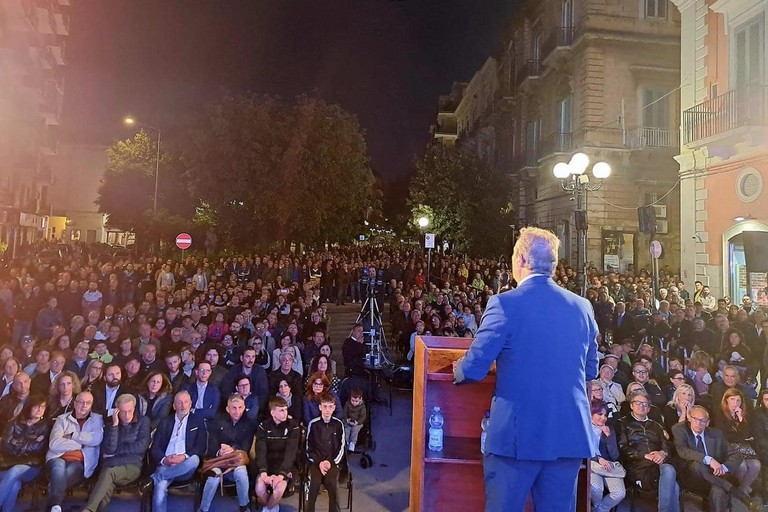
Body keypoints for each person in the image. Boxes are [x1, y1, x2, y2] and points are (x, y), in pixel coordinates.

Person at [453, 227, 598, 511]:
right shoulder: (583, 307)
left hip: (517, 438)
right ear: (554, 264)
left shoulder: (504, 304)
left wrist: (457, 368)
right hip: (567, 435)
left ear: (519, 260)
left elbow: (473, 370)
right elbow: (590, 369)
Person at [672, 405, 759, 512]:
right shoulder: (679, 429)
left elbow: (736, 455)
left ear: (707, 423)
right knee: (697, 465)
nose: (698, 423)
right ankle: (740, 495)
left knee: (719, 492)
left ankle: (730, 492)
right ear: (689, 418)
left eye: (702, 421)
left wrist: (723, 467)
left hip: (715, 480)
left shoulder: (716, 434)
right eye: (695, 419)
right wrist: (709, 459)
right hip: (692, 478)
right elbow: (683, 451)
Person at [83, 393, 151, 512]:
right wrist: (115, 425)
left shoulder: (143, 421)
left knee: (108, 473)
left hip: (132, 466)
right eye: (123, 411)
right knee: (106, 487)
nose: (127, 415)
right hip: (112, 465)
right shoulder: (111, 424)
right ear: (117, 411)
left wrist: (115, 454)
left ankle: (88, 509)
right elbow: (109, 449)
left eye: (130, 411)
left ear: (134, 408)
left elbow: (141, 447)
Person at [618, 391, 680, 512]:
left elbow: (666, 446)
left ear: (649, 408)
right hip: (638, 466)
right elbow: (622, 448)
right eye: (638, 403)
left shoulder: (656, 425)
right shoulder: (623, 423)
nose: (642, 406)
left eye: (645, 404)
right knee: (674, 486)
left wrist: (663, 453)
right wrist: (644, 455)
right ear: (631, 405)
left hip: (658, 465)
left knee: (669, 472)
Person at [148, 390, 207, 512]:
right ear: (174, 406)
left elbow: (201, 447)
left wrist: (184, 456)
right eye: (179, 403)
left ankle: (157, 477)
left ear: (191, 404)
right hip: (167, 464)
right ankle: (161, 478)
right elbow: (155, 447)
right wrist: (165, 459)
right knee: (160, 487)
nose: (183, 405)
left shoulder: (197, 421)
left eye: (186, 402)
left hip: (185, 466)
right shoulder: (165, 421)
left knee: (195, 459)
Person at [45, 390, 104, 512]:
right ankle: (56, 506)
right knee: (58, 468)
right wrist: (82, 444)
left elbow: (96, 439)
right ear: (75, 403)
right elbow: (54, 444)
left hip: (81, 462)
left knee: (60, 477)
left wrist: (72, 435)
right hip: (58, 457)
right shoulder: (62, 419)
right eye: (81, 402)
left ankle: (53, 505)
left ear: (91, 405)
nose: (84, 405)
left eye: (88, 403)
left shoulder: (97, 419)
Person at [198, 393, 255, 512]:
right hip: (218, 461)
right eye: (234, 408)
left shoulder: (249, 424)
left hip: (236, 462)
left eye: (240, 407)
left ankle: (244, 507)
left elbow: (246, 446)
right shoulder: (218, 421)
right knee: (214, 477)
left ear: (244, 407)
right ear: (227, 409)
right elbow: (212, 443)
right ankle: (203, 509)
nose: (237, 411)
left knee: (241, 472)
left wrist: (232, 450)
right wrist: (220, 451)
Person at [0, 395, 50, 512]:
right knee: (15, 484)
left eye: (42, 407)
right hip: (9, 463)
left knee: (16, 471)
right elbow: (4, 446)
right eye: (36, 406)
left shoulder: (45, 426)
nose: (40, 409)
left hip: (32, 466)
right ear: (29, 407)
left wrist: (15, 442)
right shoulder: (14, 422)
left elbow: (39, 448)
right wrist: (30, 442)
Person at [255, 396, 301, 512]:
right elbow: (261, 451)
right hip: (268, 464)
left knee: (278, 490)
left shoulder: (293, 426)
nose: (285, 413)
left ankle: (267, 509)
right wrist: (263, 473)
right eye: (281, 410)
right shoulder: (263, 426)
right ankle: (272, 507)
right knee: (259, 489)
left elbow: (291, 452)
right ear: (273, 413)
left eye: (286, 409)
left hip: (286, 466)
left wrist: (282, 474)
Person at [713, 388, 762, 496]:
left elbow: (747, 435)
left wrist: (740, 419)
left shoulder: (744, 414)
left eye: (738, 400)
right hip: (728, 446)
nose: (735, 403)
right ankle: (743, 490)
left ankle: (742, 488)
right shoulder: (720, 413)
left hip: (744, 446)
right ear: (726, 400)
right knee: (742, 466)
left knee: (756, 465)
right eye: (732, 399)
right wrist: (739, 436)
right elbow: (723, 434)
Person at [305, 393, 346, 512]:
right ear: (320, 407)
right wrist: (319, 462)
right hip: (316, 462)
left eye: (330, 406)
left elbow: (341, 447)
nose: (327, 410)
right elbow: (309, 448)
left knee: (331, 483)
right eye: (324, 406)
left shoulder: (339, 424)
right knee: (313, 485)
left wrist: (330, 462)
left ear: (334, 408)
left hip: (333, 462)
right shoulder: (313, 424)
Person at [589, 400, 625, 512]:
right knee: (596, 490)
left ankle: (598, 509)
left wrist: (609, 436)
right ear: (591, 413)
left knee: (619, 493)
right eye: (599, 414)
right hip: (591, 465)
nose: (603, 418)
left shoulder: (609, 429)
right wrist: (598, 459)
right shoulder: (585, 428)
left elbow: (614, 455)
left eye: (605, 415)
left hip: (608, 466)